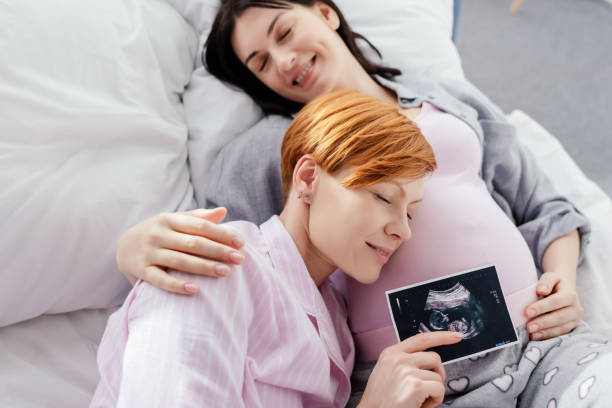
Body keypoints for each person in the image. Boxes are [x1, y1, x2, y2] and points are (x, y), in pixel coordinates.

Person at [115, 1, 612, 406]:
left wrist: (562, 288)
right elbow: (236, 266)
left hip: (543, 344)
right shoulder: (268, 151)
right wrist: (132, 251)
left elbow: (547, 209)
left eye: (284, 32)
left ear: (325, 13)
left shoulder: (446, 99)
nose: (283, 60)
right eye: (261, 63)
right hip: (415, 387)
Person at [91, 90, 462, 407]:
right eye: (383, 197)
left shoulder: (337, 322)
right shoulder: (217, 266)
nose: (403, 231)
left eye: (410, 213)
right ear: (308, 178)